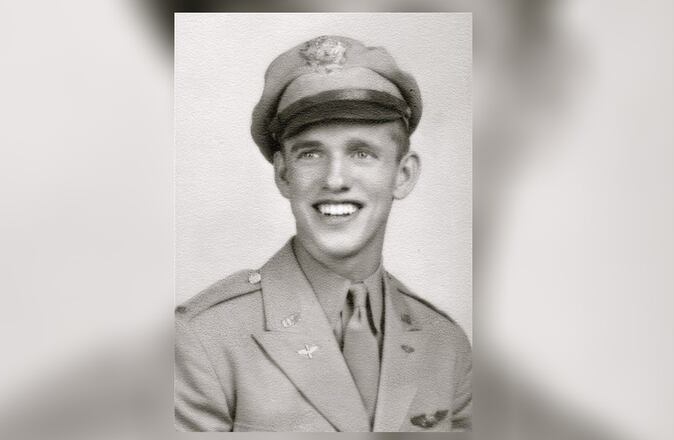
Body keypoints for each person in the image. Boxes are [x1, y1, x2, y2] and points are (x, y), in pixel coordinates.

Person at [174, 35, 471, 432]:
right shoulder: (204, 339)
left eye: (361, 153)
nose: (334, 180)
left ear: (403, 175)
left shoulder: (445, 344)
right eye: (310, 153)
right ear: (283, 174)